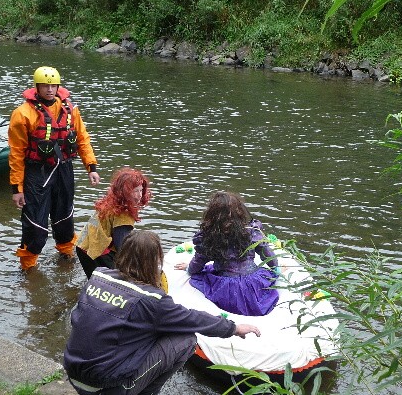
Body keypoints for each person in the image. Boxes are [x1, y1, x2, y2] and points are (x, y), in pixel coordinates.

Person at [64, 230, 260, 395]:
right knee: (186, 340)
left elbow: (80, 318)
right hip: (105, 387)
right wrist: (234, 328)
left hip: (73, 372)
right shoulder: (152, 300)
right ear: (154, 261)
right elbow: (192, 319)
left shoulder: (99, 276)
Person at [9, 66, 101, 272]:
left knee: (65, 217)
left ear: (58, 86)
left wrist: (91, 167)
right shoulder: (23, 114)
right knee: (35, 222)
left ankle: (67, 256)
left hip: (64, 169)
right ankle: (28, 267)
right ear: (37, 87)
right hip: (37, 172)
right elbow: (16, 153)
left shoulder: (70, 109)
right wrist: (17, 188)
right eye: (44, 85)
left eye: (53, 85)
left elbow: (82, 138)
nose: (49, 90)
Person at [174, 191, 279, 316]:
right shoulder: (251, 231)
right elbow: (267, 253)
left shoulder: (209, 237)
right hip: (253, 283)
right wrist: (275, 268)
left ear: (212, 215)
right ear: (240, 212)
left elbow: (198, 262)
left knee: (204, 276)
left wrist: (189, 269)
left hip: (227, 288)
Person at [76, 167, 151, 279]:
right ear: (125, 192)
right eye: (135, 191)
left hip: (82, 243)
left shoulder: (110, 201)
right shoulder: (124, 215)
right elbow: (121, 246)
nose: (139, 195)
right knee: (114, 282)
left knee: (95, 281)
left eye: (141, 190)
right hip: (95, 251)